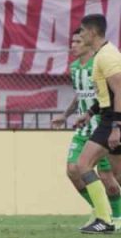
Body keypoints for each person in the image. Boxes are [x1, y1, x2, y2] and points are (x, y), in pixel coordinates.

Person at [52, 31, 121, 223]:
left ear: (88, 43)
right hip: (84, 129)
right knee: (73, 170)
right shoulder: (74, 68)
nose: (73, 45)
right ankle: (99, 210)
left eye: (78, 41)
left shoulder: (101, 63)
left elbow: (113, 93)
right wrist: (66, 115)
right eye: (72, 41)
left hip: (103, 126)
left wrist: (115, 124)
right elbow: (80, 95)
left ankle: (115, 217)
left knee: (109, 178)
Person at [70, 14, 121, 233]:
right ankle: (106, 218)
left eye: (81, 31)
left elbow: (120, 90)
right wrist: (90, 113)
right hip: (107, 116)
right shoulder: (105, 54)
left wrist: (116, 126)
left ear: (91, 32)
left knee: (83, 165)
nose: (79, 35)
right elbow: (108, 94)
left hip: (112, 120)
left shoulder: (106, 56)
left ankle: (105, 219)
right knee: (117, 174)